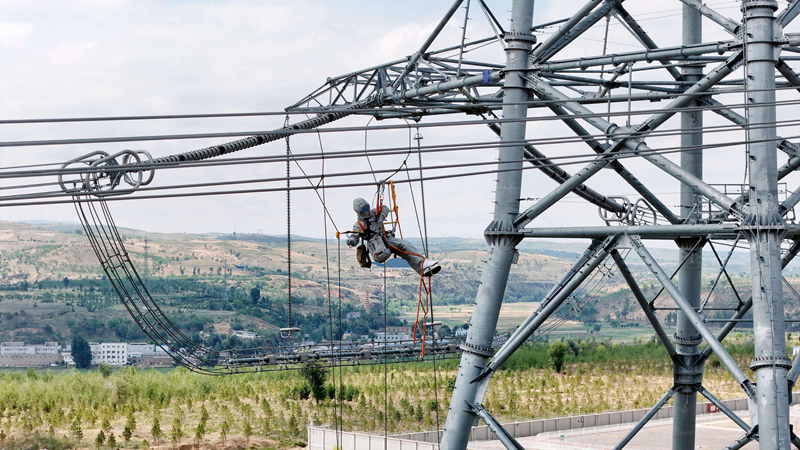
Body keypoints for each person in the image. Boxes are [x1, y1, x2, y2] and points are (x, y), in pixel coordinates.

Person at [347, 197, 441, 277]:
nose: (367, 212)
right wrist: (351, 240)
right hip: (376, 245)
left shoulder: (374, 213)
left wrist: (381, 217)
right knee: (404, 245)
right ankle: (423, 263)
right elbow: (355, 236)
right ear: (358, 212)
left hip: (386, 238)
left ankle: (422, 269)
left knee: (405, 251)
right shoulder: (359, 225)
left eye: (367, 209)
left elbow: (385, 208)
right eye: (364, 211)